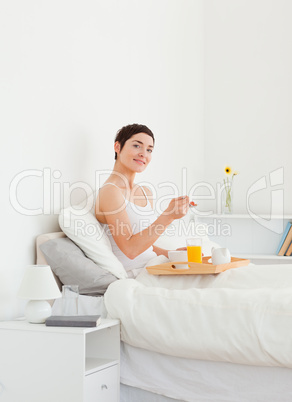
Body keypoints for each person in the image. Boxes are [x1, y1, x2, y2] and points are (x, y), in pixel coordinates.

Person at [95, 123, 190, 276]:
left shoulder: (145, 192)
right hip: (136, 274)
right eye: (137, 146)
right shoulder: (110, 191)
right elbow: (131, 250)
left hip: (152, 266)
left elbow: (145, 247)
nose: (143, 154)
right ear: (117, 147)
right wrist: (169, 216)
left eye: (149, 150)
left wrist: (171, 254)